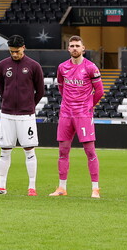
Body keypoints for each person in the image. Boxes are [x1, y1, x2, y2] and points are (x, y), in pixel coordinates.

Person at [0, 34, 46, 196]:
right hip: (6, 114)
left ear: (24, 48)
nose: (14, 54)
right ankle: (1, 186)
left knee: (29, 150)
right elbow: (1, 87)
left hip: (26, 115)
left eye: (17, 51)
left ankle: (32, 187)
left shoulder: (34, 66)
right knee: (5, 150)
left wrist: (29, 105)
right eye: (12, 51)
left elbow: (40, 91)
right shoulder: (2, 65)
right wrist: (7, 101)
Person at [50, 35, 104, 198]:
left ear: (83, 49)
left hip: (83, 115)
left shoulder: (91, 67)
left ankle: (95, 188)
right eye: (71, 46)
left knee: (90, 151)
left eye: (77, 46)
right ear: (68, 49)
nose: (74, 48)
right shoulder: (62, 68)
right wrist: (69, 103)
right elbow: (61, 88)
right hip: (66, 114)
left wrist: (88, 107)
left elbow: (99, 91)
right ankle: (61, 188)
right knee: (63, 151)